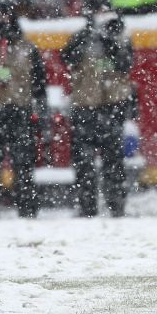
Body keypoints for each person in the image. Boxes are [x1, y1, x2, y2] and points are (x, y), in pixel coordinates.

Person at [0, 1, 46, 219]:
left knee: (23, 164)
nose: (2, 20)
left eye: (6, 15)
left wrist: (41, 112)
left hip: (20, 111)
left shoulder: (28, 48)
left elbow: (39, 84)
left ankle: (27, 208)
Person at [61, 12, 134, 218]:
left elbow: (125, 65)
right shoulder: (82, 37)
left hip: (112, 106)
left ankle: (116, 206)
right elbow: (67, 58)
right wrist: (86, 37)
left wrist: (113, 42)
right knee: (84, 163)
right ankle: (87, 208)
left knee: (114, 162)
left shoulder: (121, 37)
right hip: (85, 106)